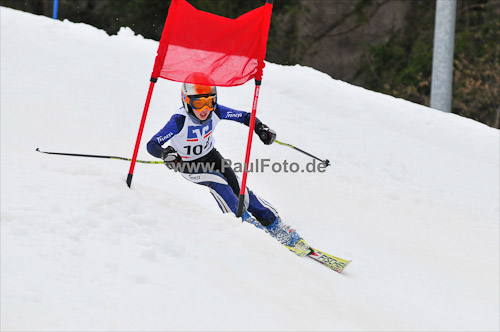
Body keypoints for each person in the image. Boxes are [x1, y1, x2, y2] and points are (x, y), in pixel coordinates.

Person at [147, 73, 310, 255]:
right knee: (218, 182)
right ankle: (245, 224)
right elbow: (152, 145)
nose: (205, 109)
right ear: (186, 101)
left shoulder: (215, 111)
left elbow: (245, 116)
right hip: (187, 164)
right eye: (199, 103)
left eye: (210, 101)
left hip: (211, 156)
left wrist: (260, 128)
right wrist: (166, 154)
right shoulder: (178, 121)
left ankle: (272, 222)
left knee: (237, 185)